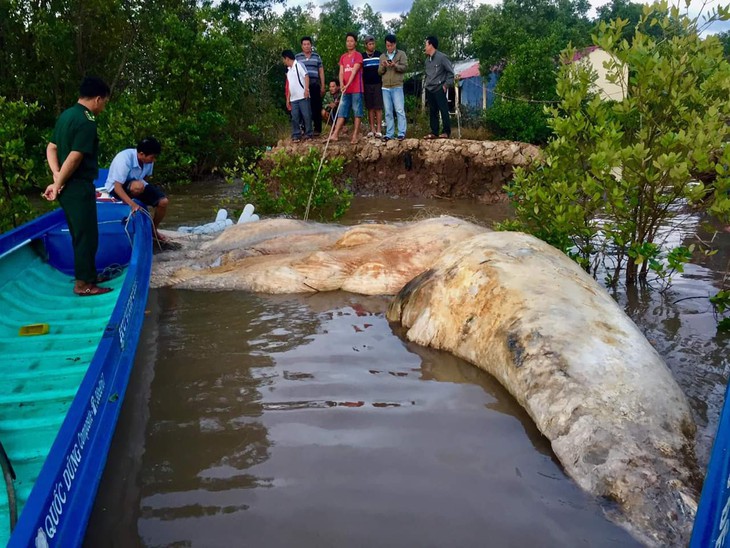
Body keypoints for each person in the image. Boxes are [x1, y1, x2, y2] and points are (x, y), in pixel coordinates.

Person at [43, 76, 112, 297]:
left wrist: (56, 176)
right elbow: (75, 157)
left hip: (66, 187)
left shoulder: (66, 115)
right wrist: (59, 181)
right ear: (98, 99)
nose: (103, 107)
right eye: (105, 103)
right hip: (77, 186)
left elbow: (51, 148)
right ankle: (84, 285)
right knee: (86, 236)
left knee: (79, 233)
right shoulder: (87, 121)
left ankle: (88, 275)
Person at [105, 137, 169, 240]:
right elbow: (117, 187)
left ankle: (154, 229)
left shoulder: (148, 161)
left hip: (138, 185)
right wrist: (133, 204)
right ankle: (131, 208)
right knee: (137, 187)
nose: (154, 160)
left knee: (163, 202)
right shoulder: (124, 159)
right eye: (152, 157)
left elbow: (144, 179)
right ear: (141, 154)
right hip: (117, 188)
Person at [331, 32, 364, 144]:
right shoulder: (343, 57)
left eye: (351, 41)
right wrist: (341, 84)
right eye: (347, 41)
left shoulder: (358, 55)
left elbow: (354, 71)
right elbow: (341, 72)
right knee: (342, 111)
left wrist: (347, 85)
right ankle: (335, 134)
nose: (349, 43)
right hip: (345, 90)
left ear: (355, 42)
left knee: (357, 111)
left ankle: (355, 135)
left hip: (356, 89)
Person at [378, 34, 408, 141]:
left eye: (390, 45)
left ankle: (401, 133)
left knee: (399, 110)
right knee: (388, 111)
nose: (389, 47)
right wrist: (383, 66)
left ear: (395, 44)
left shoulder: (401, 54)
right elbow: (379, 72)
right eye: (387, 45)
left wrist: (395, 65)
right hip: (385, 87)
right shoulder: (382, 56)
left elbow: (404, 67)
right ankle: (389, 133)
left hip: (397, 86)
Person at [423, 35, 454, 139]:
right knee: (432, 111)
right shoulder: (427, 61)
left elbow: (450, 73)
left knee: (443, 110)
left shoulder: (442, 57)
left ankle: (446, 132)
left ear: (431, 45)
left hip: (439, 88)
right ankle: (434, 132)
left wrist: (446, 85)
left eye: (426, 44)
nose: (425, 47)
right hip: (429, 88)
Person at [296, 37, 326, 136]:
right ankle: (305, 129)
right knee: (304, 108)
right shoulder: (297, 57)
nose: (306, 46)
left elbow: (321, 71)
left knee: (316, 107)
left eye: (308, 44)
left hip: (314, 84)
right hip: (302, 86)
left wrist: (322, 85)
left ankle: (317, 129)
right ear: (301, 46)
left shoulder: (316, 56)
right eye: (304, 44)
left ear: (311, 45)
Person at [282, 49, 312, 142]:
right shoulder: (289, 71)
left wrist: (306, 89)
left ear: (287, 58)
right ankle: (296, 134)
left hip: (302, 96)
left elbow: (306, 76)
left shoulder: (298, 65)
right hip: (294, 98)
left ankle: (309, 133)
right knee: (295, 117)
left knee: (306, 115)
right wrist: (288, 99)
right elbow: (290, 85)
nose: (283, 61)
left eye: (283, 59)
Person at [362, 36, 383, 138]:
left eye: (373, 44)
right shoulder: (362, 56)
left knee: (378, 106)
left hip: (378, 83)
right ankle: (372, 129)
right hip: (366, 84)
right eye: (369, 44)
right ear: (366, 45)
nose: (371, 46)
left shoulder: (379, 54)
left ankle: (379, 129)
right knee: (370, 107)